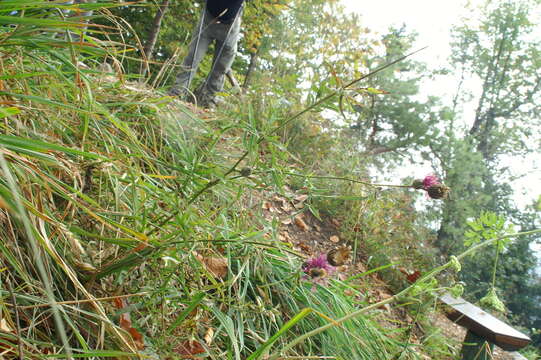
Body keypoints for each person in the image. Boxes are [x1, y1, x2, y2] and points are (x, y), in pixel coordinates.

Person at [168, 0, 246, 107]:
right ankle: (177, 93)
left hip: (230, 26)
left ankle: (208, 100)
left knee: (221, 67)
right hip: (208, 19)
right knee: (192, 58)